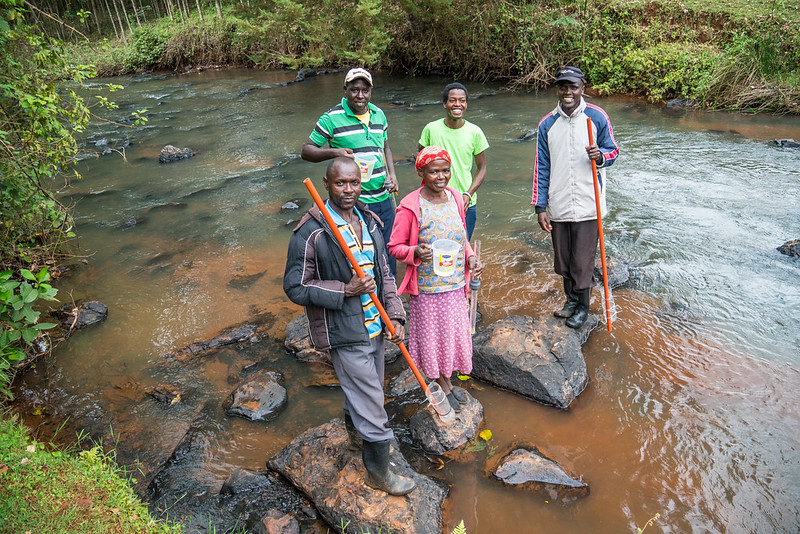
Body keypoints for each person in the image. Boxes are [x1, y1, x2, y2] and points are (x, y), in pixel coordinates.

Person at [283, 157, 415, 496]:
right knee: (372, 399)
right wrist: (345, 290)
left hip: (376, 327)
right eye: (340, 183)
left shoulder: (370, 221)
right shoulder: (311, 232)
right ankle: (377, 472)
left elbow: (385, 274)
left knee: (364, 389)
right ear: (326, 185)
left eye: (354, 183)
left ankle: (356, 439)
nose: (348, 190)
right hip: (344, 329)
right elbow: (296, 287)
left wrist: (397, 316)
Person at [388, 146, 483, 412]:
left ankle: (448, 382)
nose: (441, 177)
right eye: (433, 171)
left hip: (455, 285)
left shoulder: (455, 197)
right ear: (421, 172)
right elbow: (394, 247)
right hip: (427, 288)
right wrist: (414, 252)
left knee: (452, 335)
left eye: (445, 170)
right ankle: (442, 385)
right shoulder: (409, 206)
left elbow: (461, 236)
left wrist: (471, 258)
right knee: (432, 338)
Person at [532, 66, 620, 329]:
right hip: (558, 202)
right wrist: (540, 205)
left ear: (583, 88)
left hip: (588, 201)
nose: (567, 92)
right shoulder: (547, 123)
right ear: (558, 89)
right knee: (563, 258)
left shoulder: (596, 117)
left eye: (573, 87)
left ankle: (583, 307)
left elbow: (614, 151)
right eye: (563, 87)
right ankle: (570, 300)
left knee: (582, 259)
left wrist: (601, 156)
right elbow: (541, 166)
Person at [301, 67, 399, 277]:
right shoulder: (331, 118)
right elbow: (306, 151)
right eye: (355, 90)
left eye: (365, 90)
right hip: (355, 201)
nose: (360, 95)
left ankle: (391, 298)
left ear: (370, 91)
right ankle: (367, 296)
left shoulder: (379, 114)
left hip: (383, 195)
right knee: (364, 252)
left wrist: (392, 175)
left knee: (389, 247)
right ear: (345, 90)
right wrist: (334, 152)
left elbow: (386, 147)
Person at [418, 82, 489, 241]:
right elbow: (419, 154)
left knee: (462, 248)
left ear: (466, 104)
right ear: (444, 104)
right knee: (434, 247)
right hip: (433, 200)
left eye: (462, 101)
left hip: (465, 203)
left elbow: (482, 167)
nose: (457, 104)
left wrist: (468, 194)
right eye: (452, 100)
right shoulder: (431, 129)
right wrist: (426, 177)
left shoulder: (475, 132)